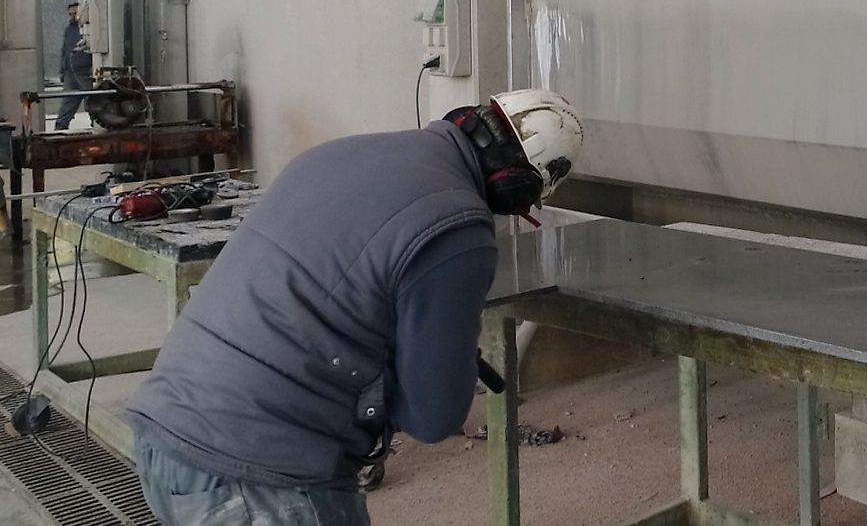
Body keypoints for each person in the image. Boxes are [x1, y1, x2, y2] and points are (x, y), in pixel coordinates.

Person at [127, 89, 585, 525]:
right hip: (259, 475)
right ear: (514, 186)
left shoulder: (334, 154)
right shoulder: (460, 226)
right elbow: (433, 418)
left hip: (164, 434)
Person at [55, 3, 92, 130]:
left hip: (85, 72)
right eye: (70, 14)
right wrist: (63, 70)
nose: (72, 17)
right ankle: (60, 127)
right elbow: (64, 50)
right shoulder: (69, 29)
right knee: (67, 103)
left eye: (75, 14)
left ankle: (97, 124)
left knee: (92, 102)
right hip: (70, 72)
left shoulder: (87, 29)